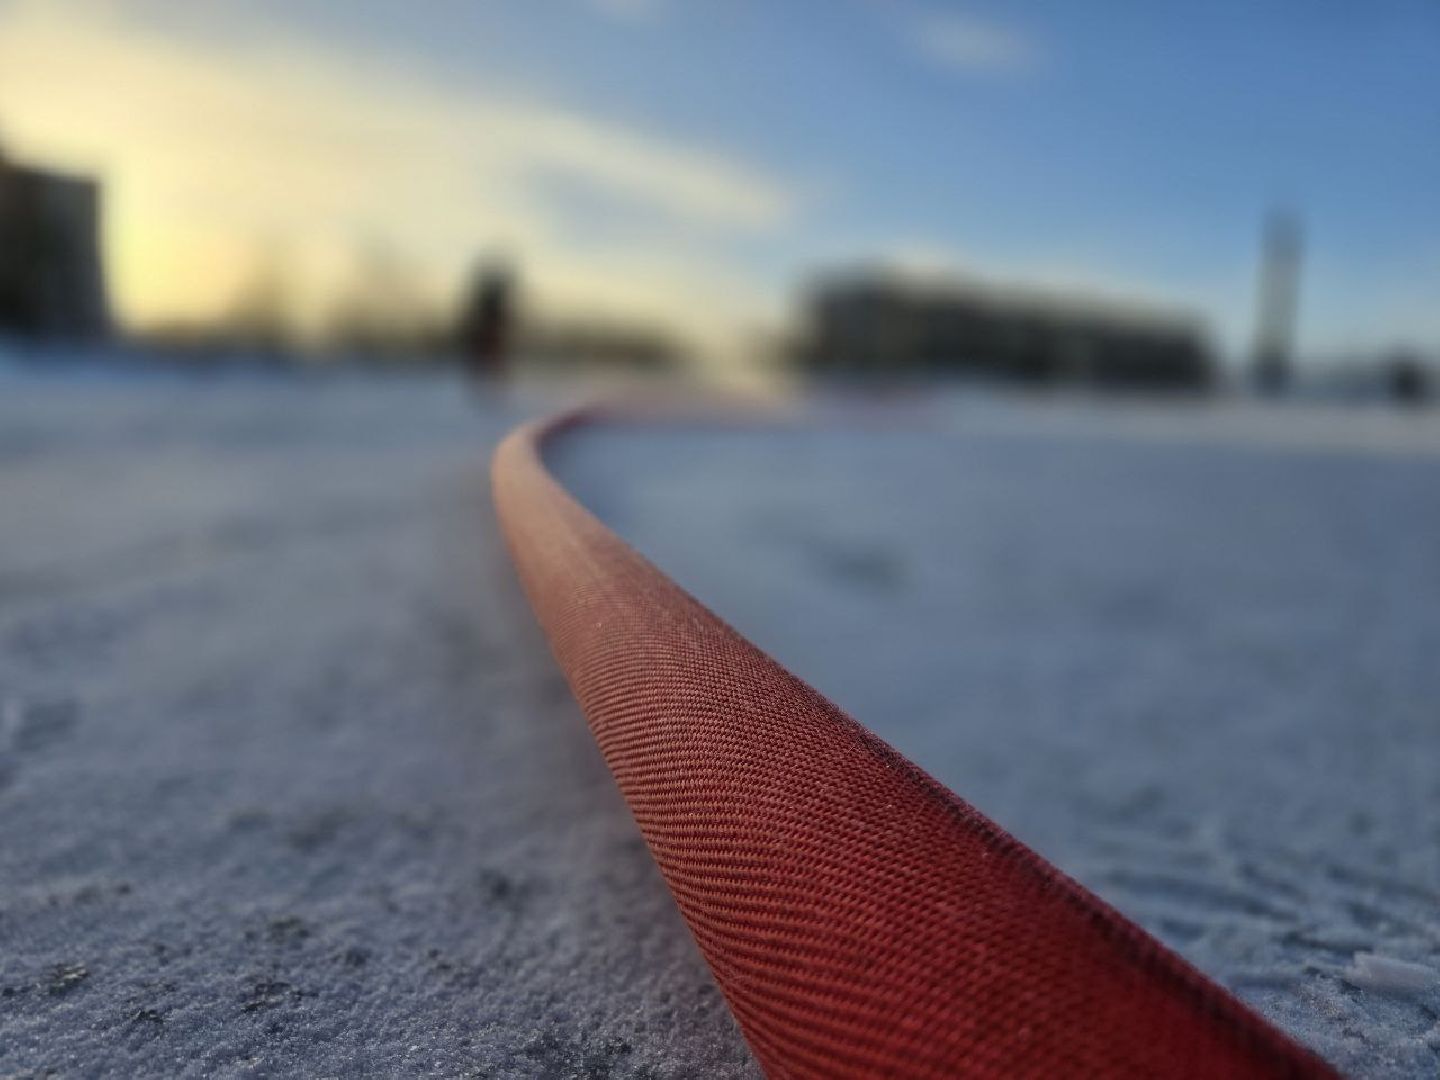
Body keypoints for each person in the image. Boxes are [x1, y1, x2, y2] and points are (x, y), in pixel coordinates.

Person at [457, 261, 515, 384]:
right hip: (486, 337)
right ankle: (487, 373)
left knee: (492, 347)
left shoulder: (493, 311)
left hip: (490, 335)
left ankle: (491, 374)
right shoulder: (487, 310)